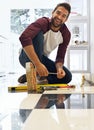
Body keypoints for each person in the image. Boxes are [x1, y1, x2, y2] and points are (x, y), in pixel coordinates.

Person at [18, 2, 72, 108]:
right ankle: (35, 73)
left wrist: (59, 69)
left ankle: (35, 77)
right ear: (52, 13)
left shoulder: (66, 34)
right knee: (37, 34)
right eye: (58, 13)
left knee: (67, 76)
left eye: (63, 16)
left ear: (66, 20)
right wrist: (38, 64)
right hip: (26, 57)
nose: (59, 17)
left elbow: (60, 57)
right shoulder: (43, 22)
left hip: (42, 59)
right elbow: (24, 37)